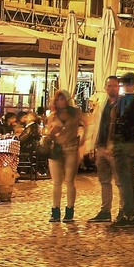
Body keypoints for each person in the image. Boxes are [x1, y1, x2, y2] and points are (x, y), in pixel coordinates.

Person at [109, 72, 134, 227]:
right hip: (132, 143)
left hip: (122, 143)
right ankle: (131, 213)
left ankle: (127, 214)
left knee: (124, 181)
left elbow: (117, 122)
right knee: (131, 180)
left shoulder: (122, 101)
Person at [42, 90, 82, 223]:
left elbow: (89, 123)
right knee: (56, 182)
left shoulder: (75, 113)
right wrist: (52, 133)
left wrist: (83, 140)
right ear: (55, 102)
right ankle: (55, 210)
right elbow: (47, 136)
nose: (62, 102)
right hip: (56, 151)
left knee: (70, 181)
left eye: (64, 99)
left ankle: (70, 210)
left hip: (71, 149)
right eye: (59, 99)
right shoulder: (52, 116)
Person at [84, 78, 120, 222]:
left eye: (115, 86)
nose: (112, 88)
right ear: (105, 87)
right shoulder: (102, 105)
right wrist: (93, 146)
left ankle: (123, 210)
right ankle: (105, 211)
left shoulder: (121, 104)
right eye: (109, 86)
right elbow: (96, 125)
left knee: (120, 181)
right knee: (104, 180)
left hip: (115, 148)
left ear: (118, 88)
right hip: (101, 146)